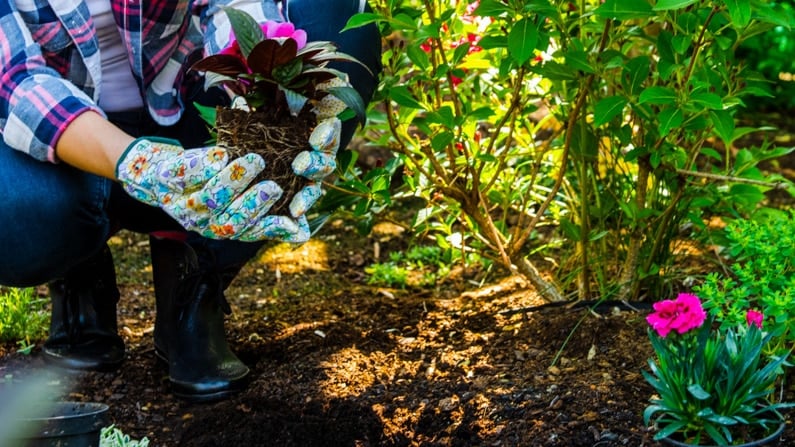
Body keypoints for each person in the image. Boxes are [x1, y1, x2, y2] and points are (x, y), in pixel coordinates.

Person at [0, 0, 381, 402]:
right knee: (17, 208)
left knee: (338, 20)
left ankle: (196, 277)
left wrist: (266, 91)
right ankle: (79, 263)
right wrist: (139, 161)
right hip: (59, 142)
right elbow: (15, 79)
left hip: (186, 104)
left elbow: (231, 6)